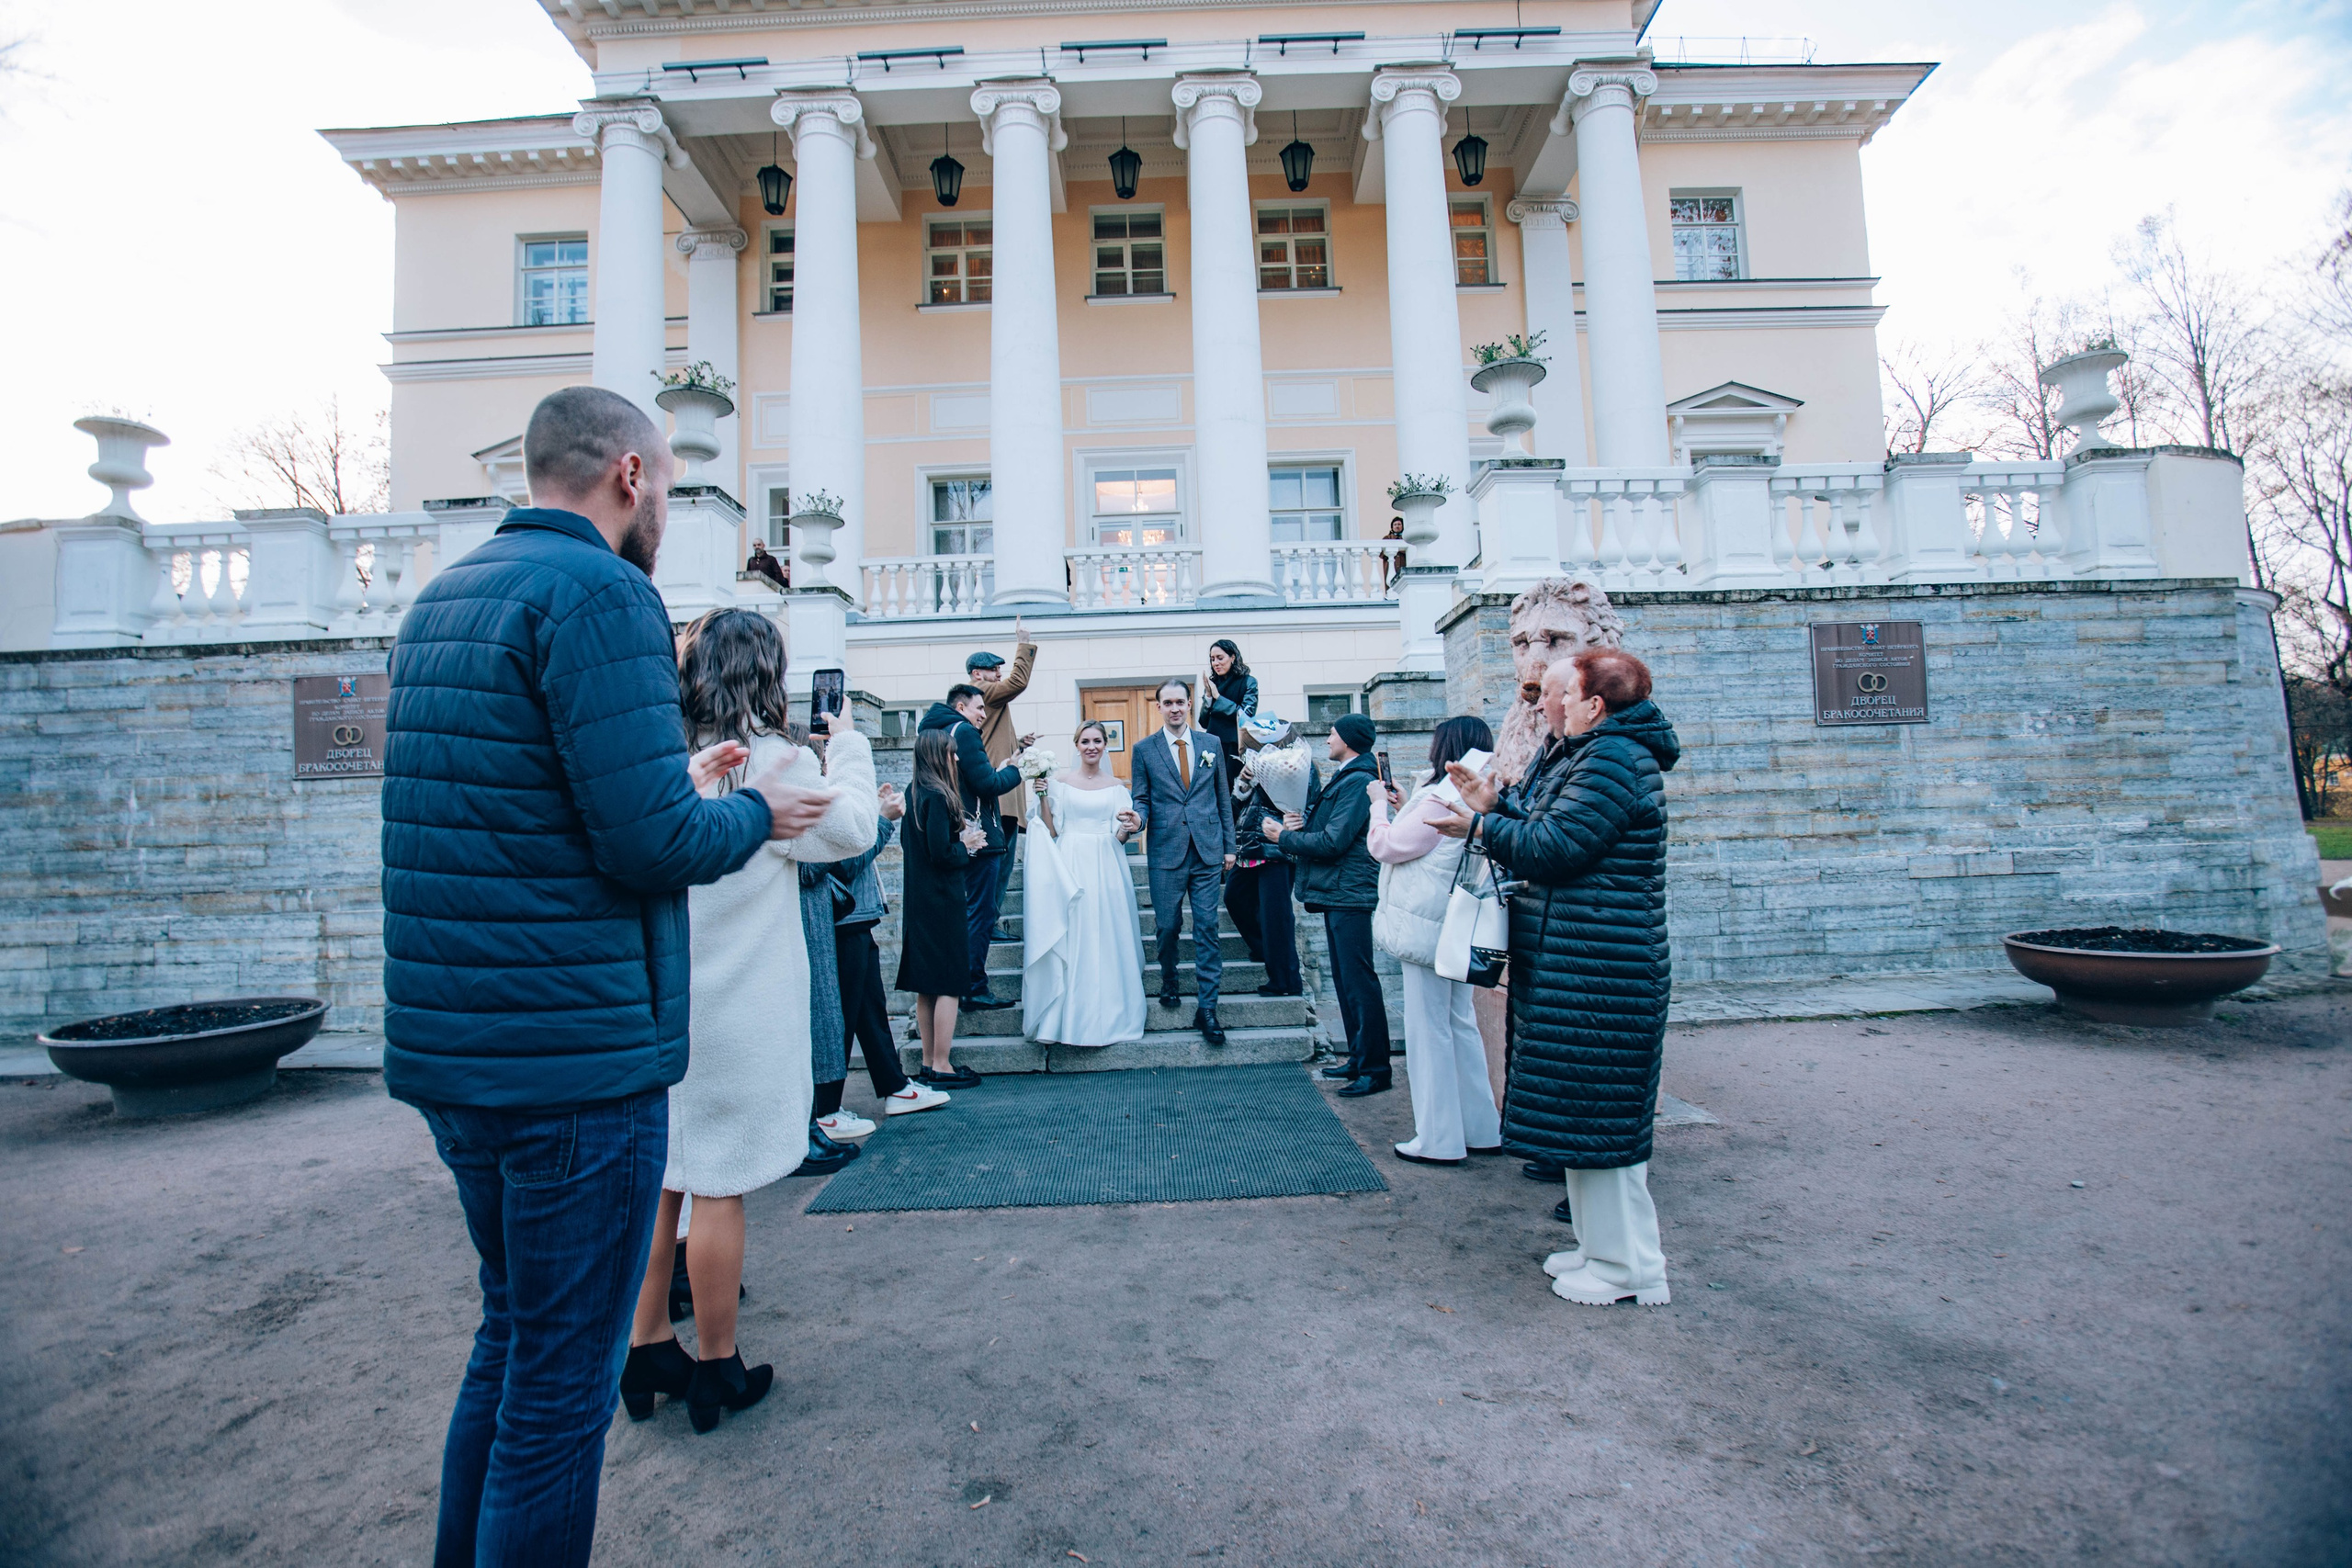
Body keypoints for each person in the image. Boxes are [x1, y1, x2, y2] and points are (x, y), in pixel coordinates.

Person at [381, 385, 835, 1562]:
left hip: (453, 1049)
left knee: (510, 1342)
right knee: (556, 1394)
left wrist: (678, 785)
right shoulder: (604, 591)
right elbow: (649, 848)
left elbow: (528, 812)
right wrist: (755, 814)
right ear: (630, 476)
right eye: (671, 492)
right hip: (572, 1062)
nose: (667, 517)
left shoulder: (444, 597)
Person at [621, 607, 878, 1433]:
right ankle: (715, 1366)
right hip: (736, 1013)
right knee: (719, 1188)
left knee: (661, 1181)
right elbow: (854, 832)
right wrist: (850, 747)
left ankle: (645, 1345)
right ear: (766, 674)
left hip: (660, 1004)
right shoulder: (776, 761)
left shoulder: (662, 759)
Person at [1432, 649, 1680, 1308]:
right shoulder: (1589, 755)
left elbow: (1556, 847)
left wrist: (1481, 825)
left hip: (1604, 970)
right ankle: (1603, 1252)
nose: (1542, 702)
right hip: (1585, 966)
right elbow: (1545, 824)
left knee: (1606, 1131)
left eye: (1557, 693)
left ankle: (1632, 1268)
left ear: (1593, 703)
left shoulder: (1612, 760)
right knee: (1586, 1125)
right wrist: (1494, 802)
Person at [1368, 716, 1503, 1165]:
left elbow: (1386, 847)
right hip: (1457, 924)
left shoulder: (1441, 793)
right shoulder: (1478, 790)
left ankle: (1438, 1139)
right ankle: (1481, 1128)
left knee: (1428, 1032)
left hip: (1425, 926)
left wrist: (1378, 807)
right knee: (1460, 1024)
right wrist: (1408, 804)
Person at [1264, 712, 1388, 1096]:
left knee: (1358, 981)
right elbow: (1333, 831)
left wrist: (1284, 837)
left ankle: (1375, 1069)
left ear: (1349, 740)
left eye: (1332, 734)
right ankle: (1357, 1057)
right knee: (1345, 980)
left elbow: (1335, 843)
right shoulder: (1349, 778)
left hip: (1349, 892)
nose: (1328, 739)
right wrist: (1303, 826)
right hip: (1339, 891)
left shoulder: (1358, 781)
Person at [823, 782, 951, 1125]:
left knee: (870, 1014)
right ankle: (826, 1109)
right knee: (844, 1019)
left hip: (857, 918)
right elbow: (843, 865)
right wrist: (882, 821)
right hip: (843, 920)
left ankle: (895, 1088)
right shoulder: (825, 802)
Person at [1022, 720, 1148, 1047]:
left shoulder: (1118, 787)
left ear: (1106, 745)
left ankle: (1110, 1015)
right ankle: (1062, 1017)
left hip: (1106, 864)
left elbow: (1119, 836)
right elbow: (1051, 831)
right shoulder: (1060, 783)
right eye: (1085, 741)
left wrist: (1128, 828)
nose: (1091, 746)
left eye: (1097, 741)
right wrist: (1044, 797)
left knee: (1106, 933)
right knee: (1073, 933)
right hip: (1070, 861)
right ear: (1077, 745)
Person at [1128, 678, 1237, 1046]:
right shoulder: (1144, 750)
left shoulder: (1211, 744)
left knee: (1207, 927)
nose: (1175, 708)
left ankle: (1208, 1008)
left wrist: (1230, 846)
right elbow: (1141, 798)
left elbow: (1222, 797)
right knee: (1167, 926)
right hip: (1166, 851)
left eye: (1180, 702)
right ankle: (1169, 976)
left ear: (1190, 705)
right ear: (1158, 707)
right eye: (1168, 702)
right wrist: (1137, 821)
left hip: (1207, 851)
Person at [918, 683, 1024, 1011]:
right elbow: (986, 784)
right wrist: (1013, 771)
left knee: (965, 914)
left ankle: (959, 983)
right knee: (981, 913)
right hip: (978, 837)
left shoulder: (932, 731)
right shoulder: (963, 731)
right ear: (962, 707)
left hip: (950, 834)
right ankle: (974, 987)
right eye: (979, 708)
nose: (983, 714)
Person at [897, 728, 991, 1088]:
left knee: (927, 986)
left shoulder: (914, 791)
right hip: (942, 901)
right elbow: (940, 853)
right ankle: (942, 1065)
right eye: (951, 753)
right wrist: (966, 844)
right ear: (938, 756)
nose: (956, 758)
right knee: (950, 984)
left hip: (920, 901)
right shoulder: (938, 796)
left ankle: (926, 1063)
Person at [1228, 711, 1317, 998]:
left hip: (1277, 847)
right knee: (1234, 898)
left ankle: (1286, 981)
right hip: (1251, 846)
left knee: (1276, 917)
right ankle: (1266, 950)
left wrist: (1298, 824)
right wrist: (1243, 784)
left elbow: (1312, 802)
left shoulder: (1298, 764)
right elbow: (1236, 808)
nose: (1247, 749)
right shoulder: (1252, 766)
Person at [967, 626, 1038, 939]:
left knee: (1004, 862)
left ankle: (989, 920)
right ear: (977, 674)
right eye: (995, 670)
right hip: (999, 794)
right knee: (997, 864)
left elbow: (993, 741)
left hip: (1005, 792)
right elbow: (1019, 682)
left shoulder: (990, 702)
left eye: (1000, 670)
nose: (999, 675)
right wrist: (1024, 645)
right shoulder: (983, 691)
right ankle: (987, 922)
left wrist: (1019, 746)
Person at [1197, 638, 1258, 798]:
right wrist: (1209, 697)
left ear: (1233, 657)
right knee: (1211, 792)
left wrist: (1218, 696)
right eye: (1212, 659)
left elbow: (1246, 716)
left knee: (1232, 793)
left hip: (1235, 747)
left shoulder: (1248, 682)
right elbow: (1203, 722)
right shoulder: (1212, 684)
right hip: (1212, 746)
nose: (1215, 663)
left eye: (1220, 658)